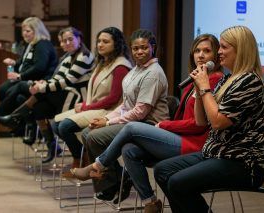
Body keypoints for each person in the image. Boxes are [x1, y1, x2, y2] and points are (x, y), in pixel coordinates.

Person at [70, 34, 224, 211]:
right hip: (179, 137)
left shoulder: (213, 80)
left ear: (216, 55)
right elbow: (127, 104)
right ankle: (150, 202)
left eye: (206, 51)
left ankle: (98, 165)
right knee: (129, 150)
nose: (201, 55)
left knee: (131, 128)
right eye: (197, 51)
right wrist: (107, 119)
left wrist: (164, 125)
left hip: (195, 144)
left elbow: (199, 124)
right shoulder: (194, 79)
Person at [154, 25, 264, 213]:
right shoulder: (228, 79)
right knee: (162, 170)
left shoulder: (250, 82)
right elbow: (202, 121)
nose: (219, 52)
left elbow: (218, 122)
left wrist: (205, 88)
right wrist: (199, 91)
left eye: (224, 47)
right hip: (216, 153)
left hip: (241, 162)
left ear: (240, 50)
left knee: (177, 182)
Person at [70, 29, 170, 203]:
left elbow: (139, 112)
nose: (139, 52)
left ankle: (112, 182)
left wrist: (108, 123)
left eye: (144, 48)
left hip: (148, 125)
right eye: (135, 48)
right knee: (87, 133)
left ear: (153, 47)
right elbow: (125, 105)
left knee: (93, 137)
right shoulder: (135, 70)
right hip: (133, 120)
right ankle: (117, 179)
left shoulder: (153, 72)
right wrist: (107, 119)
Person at [0, 27, 94, 163]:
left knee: (26, 88)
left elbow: (66, 81)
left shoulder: (85, 55)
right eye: (63, 41)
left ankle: (16, 117)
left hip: (79, 98)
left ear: (80, 39)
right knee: (39, 107)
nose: (66, 43)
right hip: (67, 95)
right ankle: (52, 145)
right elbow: (57, 79)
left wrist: (41, 87)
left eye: (70, 39)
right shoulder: (68, 57)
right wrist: (44, 84)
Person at [52, 27, 132, 176]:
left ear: (116, 44)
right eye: (99, 41)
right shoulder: (102, 62)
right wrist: (86, 106)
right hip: (94, 107)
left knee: (64, 127)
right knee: (55, 124)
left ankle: (80, 158)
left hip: (108, 111)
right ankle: (84, 156)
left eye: (105, 42)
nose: (100, 45)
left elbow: (113, 99)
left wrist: (85, 107)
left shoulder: (120, 66)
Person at [0, 17, 57, 118]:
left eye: (28, 31)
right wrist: (14, 63)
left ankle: (2, 114)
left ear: (37, 31)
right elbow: (24, 60)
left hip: (39, 81)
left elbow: (39, 68)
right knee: (2, 89)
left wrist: (20, 76)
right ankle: (11, 118)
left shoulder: (42, 45)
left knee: (14, 90)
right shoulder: (31, 43)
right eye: (23, 31)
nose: (24, 33)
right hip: (26, 78)